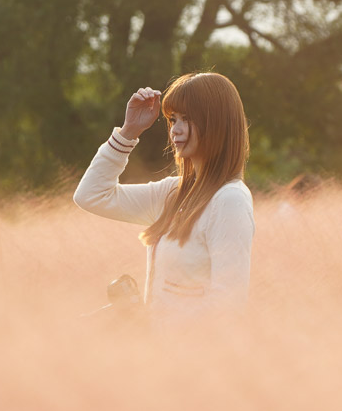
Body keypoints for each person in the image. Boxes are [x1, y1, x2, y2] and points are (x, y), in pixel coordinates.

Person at [73, 72, 255, 324]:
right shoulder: (172, 193)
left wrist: (158, 330)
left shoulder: (229, 200)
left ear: (217, 124)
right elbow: (90, 195)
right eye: (172, 119)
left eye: (187, 119)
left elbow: (228, 306)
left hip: (190, 349)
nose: (175, 130)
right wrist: (128, 132)